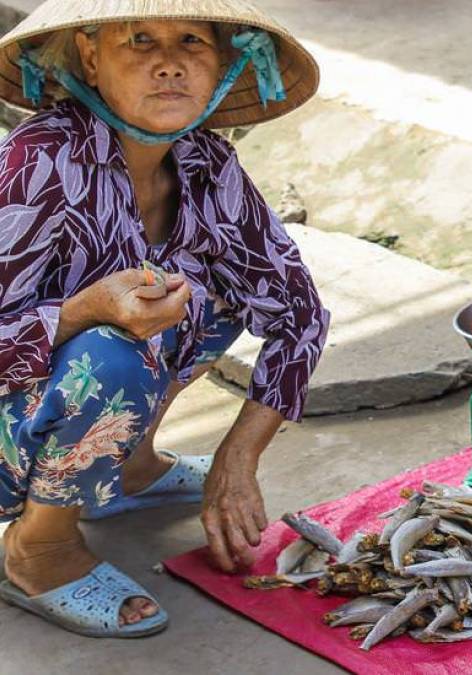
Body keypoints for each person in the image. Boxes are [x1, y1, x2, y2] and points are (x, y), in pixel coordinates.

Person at [0, 0, 327, 637]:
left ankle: (130, 465)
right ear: (91, 59)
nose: (170, 64)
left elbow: (299, 312)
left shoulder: (208, 164)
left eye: (192, 42)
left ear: (224, 66)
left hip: (62, 394)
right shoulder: (37, 162)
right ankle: (37, 548)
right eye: (140, 40)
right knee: (111, 351)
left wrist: (238, 460)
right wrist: (86, 309)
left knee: (221, 289)